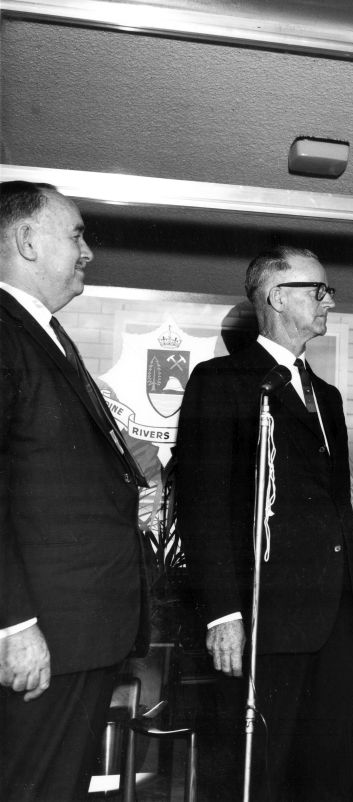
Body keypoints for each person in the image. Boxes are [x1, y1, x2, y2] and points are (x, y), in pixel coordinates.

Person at [174, 245, 353, 801]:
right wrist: (223, 613)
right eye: (319, 290)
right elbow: (202, 505)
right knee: (262, 772)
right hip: (267, 620)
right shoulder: (221, 381)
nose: (328, 301)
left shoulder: (326, 397)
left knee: (332, 776)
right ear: (278, 298)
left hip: (333, 623)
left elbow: (339, 513)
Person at [0, 181, 148, 801]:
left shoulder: (45, 334)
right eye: (77, 235)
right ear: (28, 242)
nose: (88, 252)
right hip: (44, 634)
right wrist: (12, 625)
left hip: (78, 633)